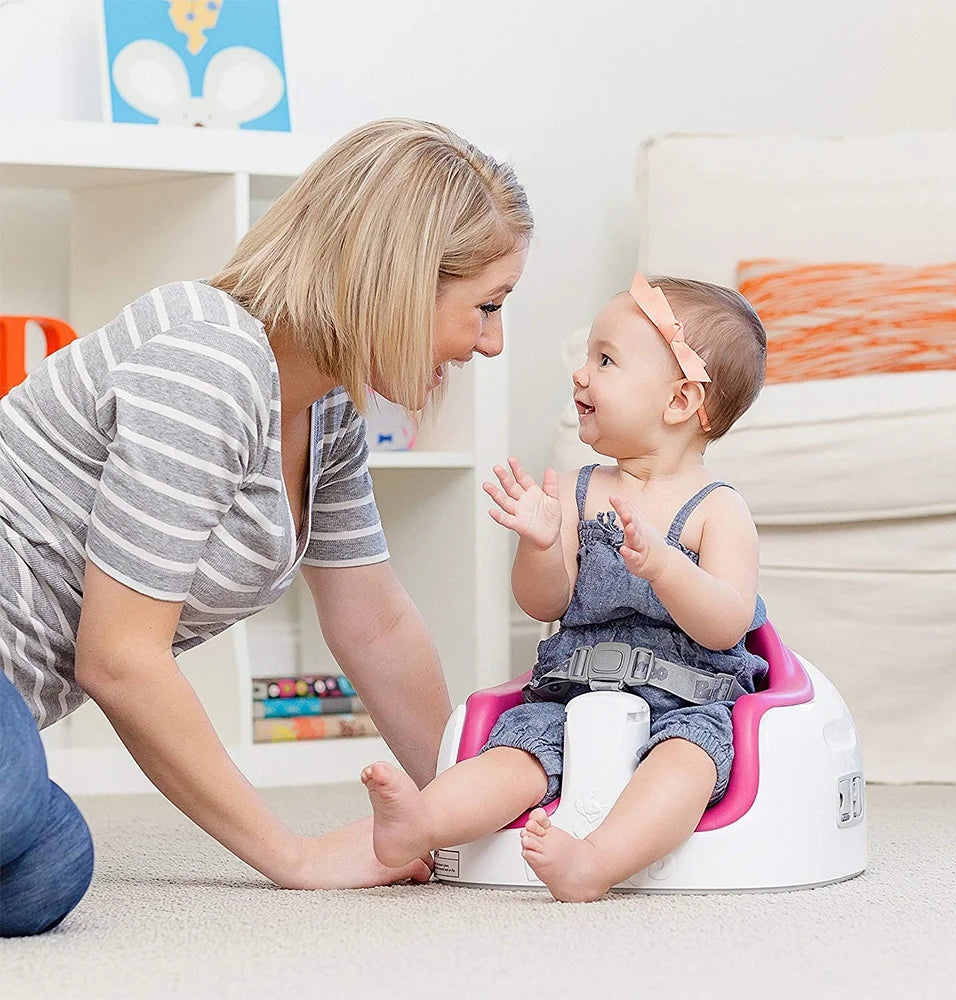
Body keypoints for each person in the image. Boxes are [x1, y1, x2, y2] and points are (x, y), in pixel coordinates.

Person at [0, 118, 532, 935]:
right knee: (15, 798)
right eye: (486, 306)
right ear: (398, 280)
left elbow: (376, 622)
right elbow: (118, 659)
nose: (491, 343)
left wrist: (466, 809)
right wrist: (297, 856)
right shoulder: (207, 357)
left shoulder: (327, 412)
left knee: (51, 862)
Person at [361, 272, 768, 902]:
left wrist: (667, 566)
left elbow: (727, 623)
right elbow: (544, 603)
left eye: (605, 360)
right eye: (587, 358)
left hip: (690, 701)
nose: (581, 374)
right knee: (515, 755)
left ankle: (595, 862)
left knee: (687, 767)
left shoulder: (719, 510)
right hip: (571, 690)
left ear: (681, 402)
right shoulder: (582, 488)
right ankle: (423, 823)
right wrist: (542, 543)